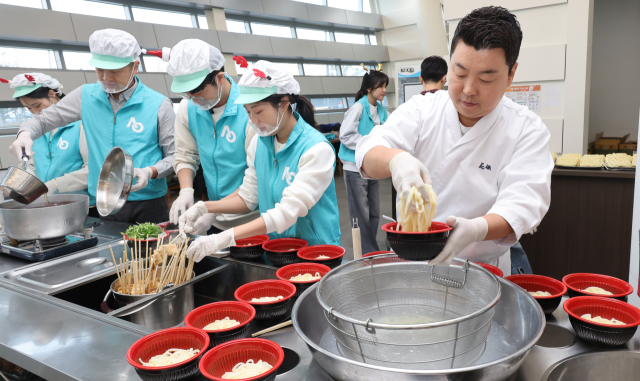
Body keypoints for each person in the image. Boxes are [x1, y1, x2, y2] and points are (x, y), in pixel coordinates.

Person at [355, 6, 553, 275]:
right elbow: (368, 150)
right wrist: (396, 161)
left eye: (486, 78)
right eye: (459, 74)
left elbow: (524, 205)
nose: (469, 90)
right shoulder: (424, 109)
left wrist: (475, 229)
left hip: (483, 270)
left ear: (511, 74)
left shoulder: (525, 129)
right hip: (413, 262)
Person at [179, 61, 340, 262]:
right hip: (278, 251)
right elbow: (248, 197)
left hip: (316, 253)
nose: (253, 120)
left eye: (258, 111)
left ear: (283, 104)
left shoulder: (316, 149)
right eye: (247, 112)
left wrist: (224, 238)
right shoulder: (259, 144)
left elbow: (287, 212)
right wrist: (205, 207)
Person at [10, 29, 175, 223]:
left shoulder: (158, 104)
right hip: (102, 203)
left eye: (114, 71)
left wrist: (151, 171)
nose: (106, 77)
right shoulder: (85, 96)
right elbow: (42, 120)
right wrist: (25, 134)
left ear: (135, 66)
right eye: (99, 70)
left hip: (149, 203)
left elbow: (174, 156)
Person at [157, 39, 258, 235]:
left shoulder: (251, 111)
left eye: (200, 93)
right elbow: (185, 154)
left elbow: (258, 177)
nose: (195, 100)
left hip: (253, 220)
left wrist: (211, 209)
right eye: (188, 94)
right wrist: (186, 190)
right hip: (213, 218)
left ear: (219, 78)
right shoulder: (188, 108)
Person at [4, 73, 93, 209]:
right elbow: (32, 165)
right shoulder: (36, 131)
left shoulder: (82, 125)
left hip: (82, 206)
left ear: (52, 94)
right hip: (50, 206)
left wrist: (54, 185)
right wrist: (20, 182)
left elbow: (92, 170)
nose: (35, 112)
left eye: (37, 105)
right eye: (29, 108)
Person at [338, 67, 388, 254]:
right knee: (361, 213)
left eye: (385, 86)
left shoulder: (382, 109)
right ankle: (368, 252)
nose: (384, 90)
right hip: (354, 167)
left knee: (373, 212)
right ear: (369, 88)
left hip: (371, 166)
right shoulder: (358, 107)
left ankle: (368, 249)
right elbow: (345, 135)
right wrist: (368, 145)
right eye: (380, 86)